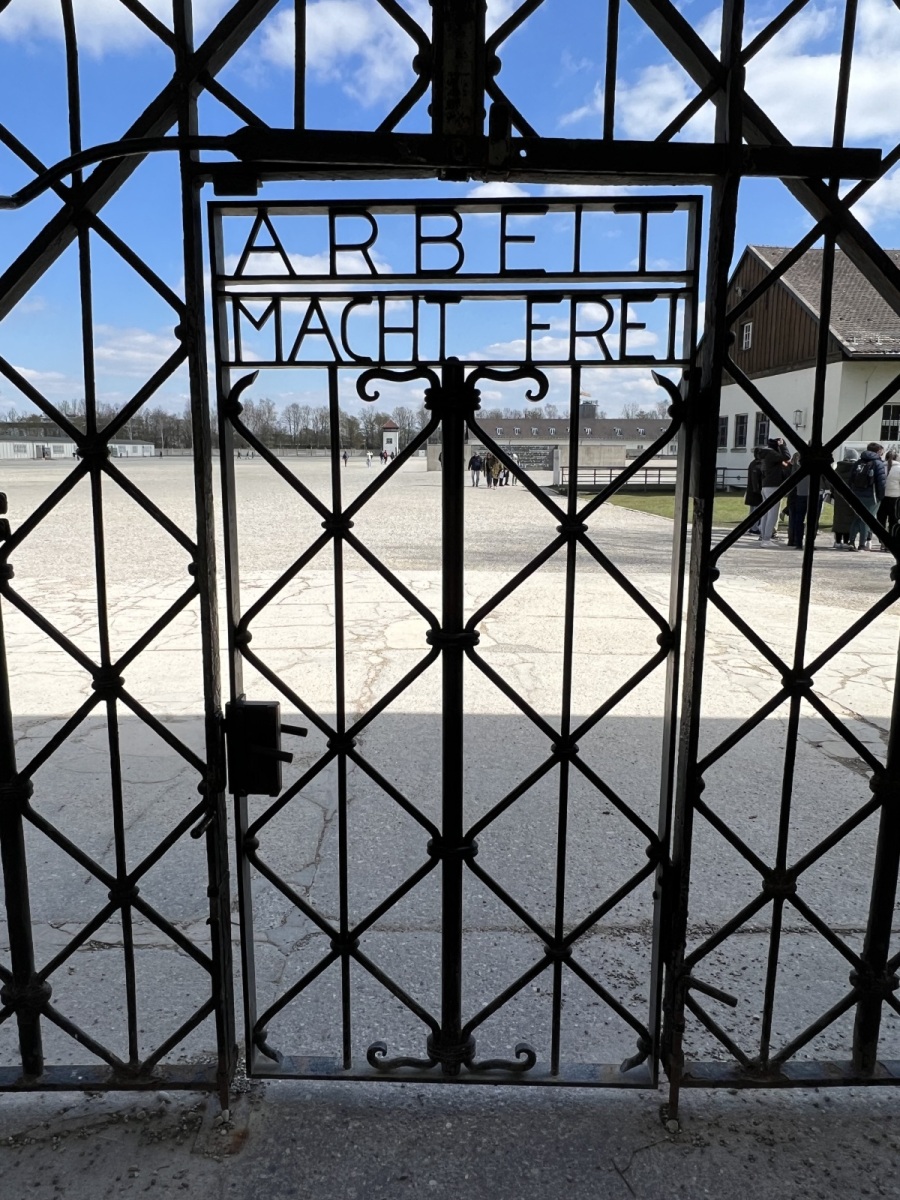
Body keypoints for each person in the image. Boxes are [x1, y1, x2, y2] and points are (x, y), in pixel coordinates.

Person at [848, 442, 886, 551]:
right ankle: (862, 544)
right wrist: (881, 496)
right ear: (878, 451)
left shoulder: (859, 462)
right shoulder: (878, 463)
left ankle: (851, 542)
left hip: (857, 494)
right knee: (867, 519)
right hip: (871, 495)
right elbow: (881, 482)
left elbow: (851, 479)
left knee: (856, 518)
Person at [757, 436, 791, 546]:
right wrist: (783, 446)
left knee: (766, 513)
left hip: (766, 486)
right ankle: (766, 539)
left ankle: (764, 536)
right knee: (773, 514)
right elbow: (787, 456)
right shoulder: (772, 454)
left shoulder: (766, 454)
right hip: (773, 486)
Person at [829, 448, 857, 547]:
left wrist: (833, 493)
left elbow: (832, 483)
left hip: (838, 496)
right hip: (851, 496)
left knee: (838, 518)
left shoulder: (838, 468)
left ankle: (837, 541)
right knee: (849, 519)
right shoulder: (855, 469)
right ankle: (846, 541)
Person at [876, 449, 899, 549]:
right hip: (895, 497)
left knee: (881, 520)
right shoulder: (899, 468)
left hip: (882, 497)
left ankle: (882, 541)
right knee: (893, 520)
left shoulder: (880, 466)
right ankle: (892, 540)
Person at [744, 446, 764, 535]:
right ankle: (754, 528)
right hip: (756, 492)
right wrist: (758, 490)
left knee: (753, 510)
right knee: (756, 510)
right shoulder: (757, 465)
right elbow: (755, 480)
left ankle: (752, 526)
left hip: (753, 491)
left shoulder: (753, 463)